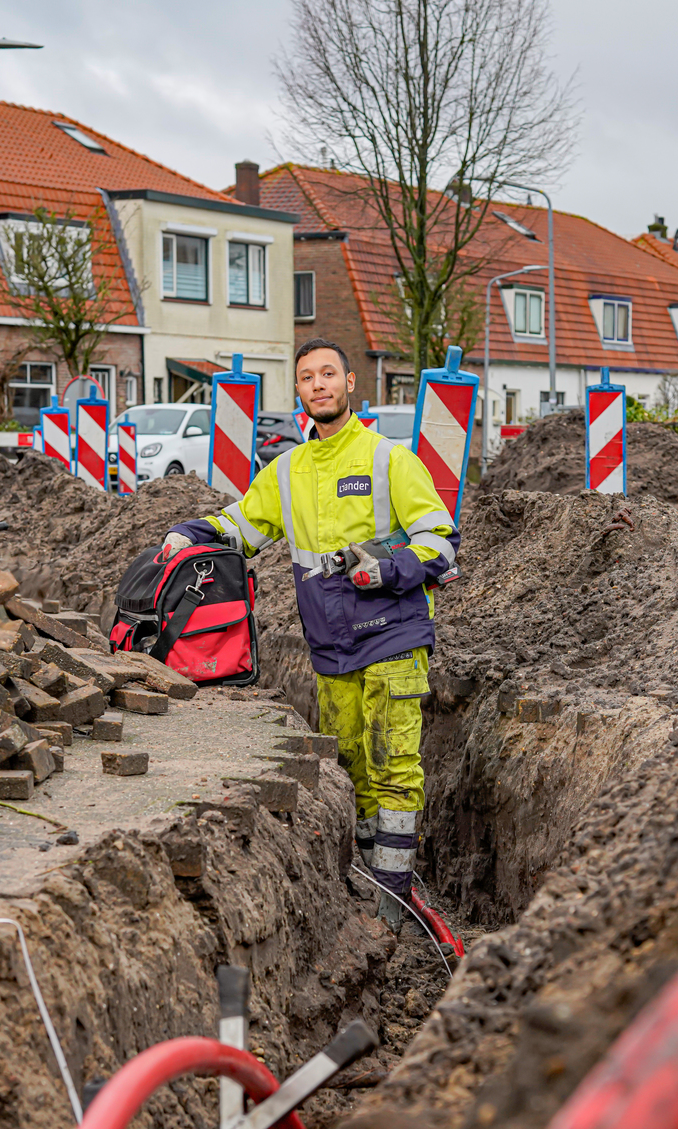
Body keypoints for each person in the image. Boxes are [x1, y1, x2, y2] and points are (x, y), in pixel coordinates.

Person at [161, 339, 457, 929]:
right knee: (350, 765)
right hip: (330, 646)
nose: (318, 384)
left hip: (393, 634)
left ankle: (393, 906)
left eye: (328, 374)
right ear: (298, 390)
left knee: (393, 764)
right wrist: (192, 532)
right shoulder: (288, 471)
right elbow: (243, 526)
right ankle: (376, 881)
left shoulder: (389, 460)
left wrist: (387, 567)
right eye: (306, 377)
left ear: (350, 384)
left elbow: (441, 543)